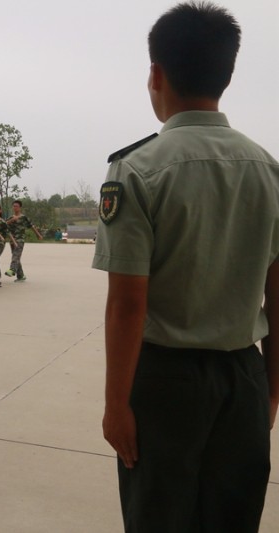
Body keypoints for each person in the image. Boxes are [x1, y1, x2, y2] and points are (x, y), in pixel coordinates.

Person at [92, 3, 278, 532]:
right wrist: (271, 391)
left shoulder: (137, 170)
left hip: (163, 384)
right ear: (227, 73)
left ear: (156, 75)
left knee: (159, 518)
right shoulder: (269, 170)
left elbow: (128, 303)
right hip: (244, 378)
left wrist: (115, 404)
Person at [5, 199, 42, 281]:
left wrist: (38, 235)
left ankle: (12, 270)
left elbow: (32, 226)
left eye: (16, 206)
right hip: (12, 240)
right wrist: (12, 220)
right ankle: (21, 276)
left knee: (16, 255)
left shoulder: (23, 217)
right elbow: (4, 225)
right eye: (14, 206)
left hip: (20, 240)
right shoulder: (10, 218)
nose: (15, 208)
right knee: (16, 257)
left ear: (20, 207)